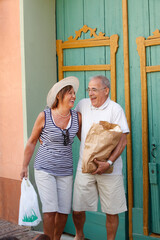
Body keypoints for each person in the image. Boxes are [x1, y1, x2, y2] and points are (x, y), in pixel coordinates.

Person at [20, 76, 81, 240]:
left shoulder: (77, 118)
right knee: (50, 209)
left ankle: (56, 238)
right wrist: (24, 166)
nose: (74, 96)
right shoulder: (45, 116)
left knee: (63, 210)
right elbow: (32, 141)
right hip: (44, 169)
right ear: (60, 96)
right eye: (70, 93)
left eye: (74, 93)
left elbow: (86, 142)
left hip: (65, 170)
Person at [72, 75, 129, 240]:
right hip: (85, 167)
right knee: (77, 208)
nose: (90, 93)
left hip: (110, 170)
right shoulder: (82, 104)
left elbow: (123, 140)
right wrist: (90, 148)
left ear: (106, 90)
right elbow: (75, 124)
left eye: (94, 90)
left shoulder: (115, 109)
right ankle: (79, 236)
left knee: (111, 211)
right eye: (89, 89)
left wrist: (108, 162)